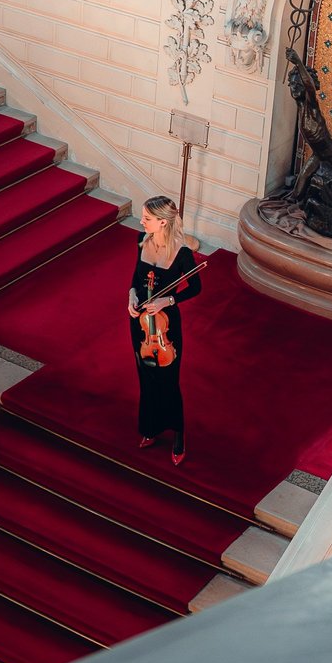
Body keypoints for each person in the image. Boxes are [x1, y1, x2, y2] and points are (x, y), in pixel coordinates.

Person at [127, 196, 202, 465]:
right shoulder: (141, 240)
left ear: (162, 222)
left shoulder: (182, 253)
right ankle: (150, 428)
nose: (141, 221)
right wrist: (131, 297)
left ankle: (178, 435)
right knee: (146, 379)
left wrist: (167, 300)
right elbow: (135, 279)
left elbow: (195, 288)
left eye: (147, 218)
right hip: (141, 325)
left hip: (165, 326)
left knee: (169, 382)